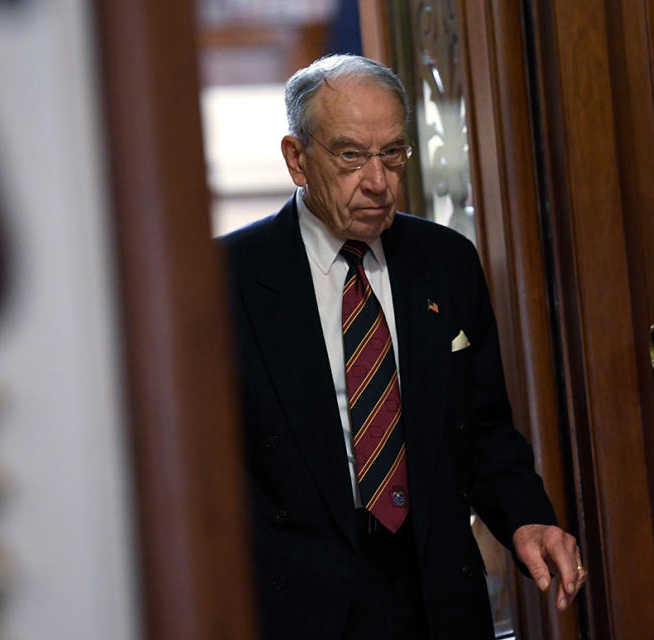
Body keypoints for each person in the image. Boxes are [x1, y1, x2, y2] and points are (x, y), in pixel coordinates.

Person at [221, 54, 585, 640]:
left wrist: (527, 521)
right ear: (297, 159)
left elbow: (485, 430)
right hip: (301, 604)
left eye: (392, 153)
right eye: (350, 156)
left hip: (436, 593)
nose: (378, 181)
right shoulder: (225, 278)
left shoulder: (446, 262)